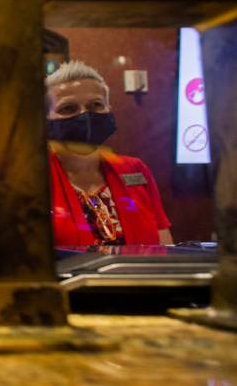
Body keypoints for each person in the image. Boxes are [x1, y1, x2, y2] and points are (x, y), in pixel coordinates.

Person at [46, 61, 173, 247]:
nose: (85, 116)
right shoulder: (33, 180)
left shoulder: (135, 170)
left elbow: (164, 244)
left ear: (108, 110)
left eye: (96, 105)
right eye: (68, 108)